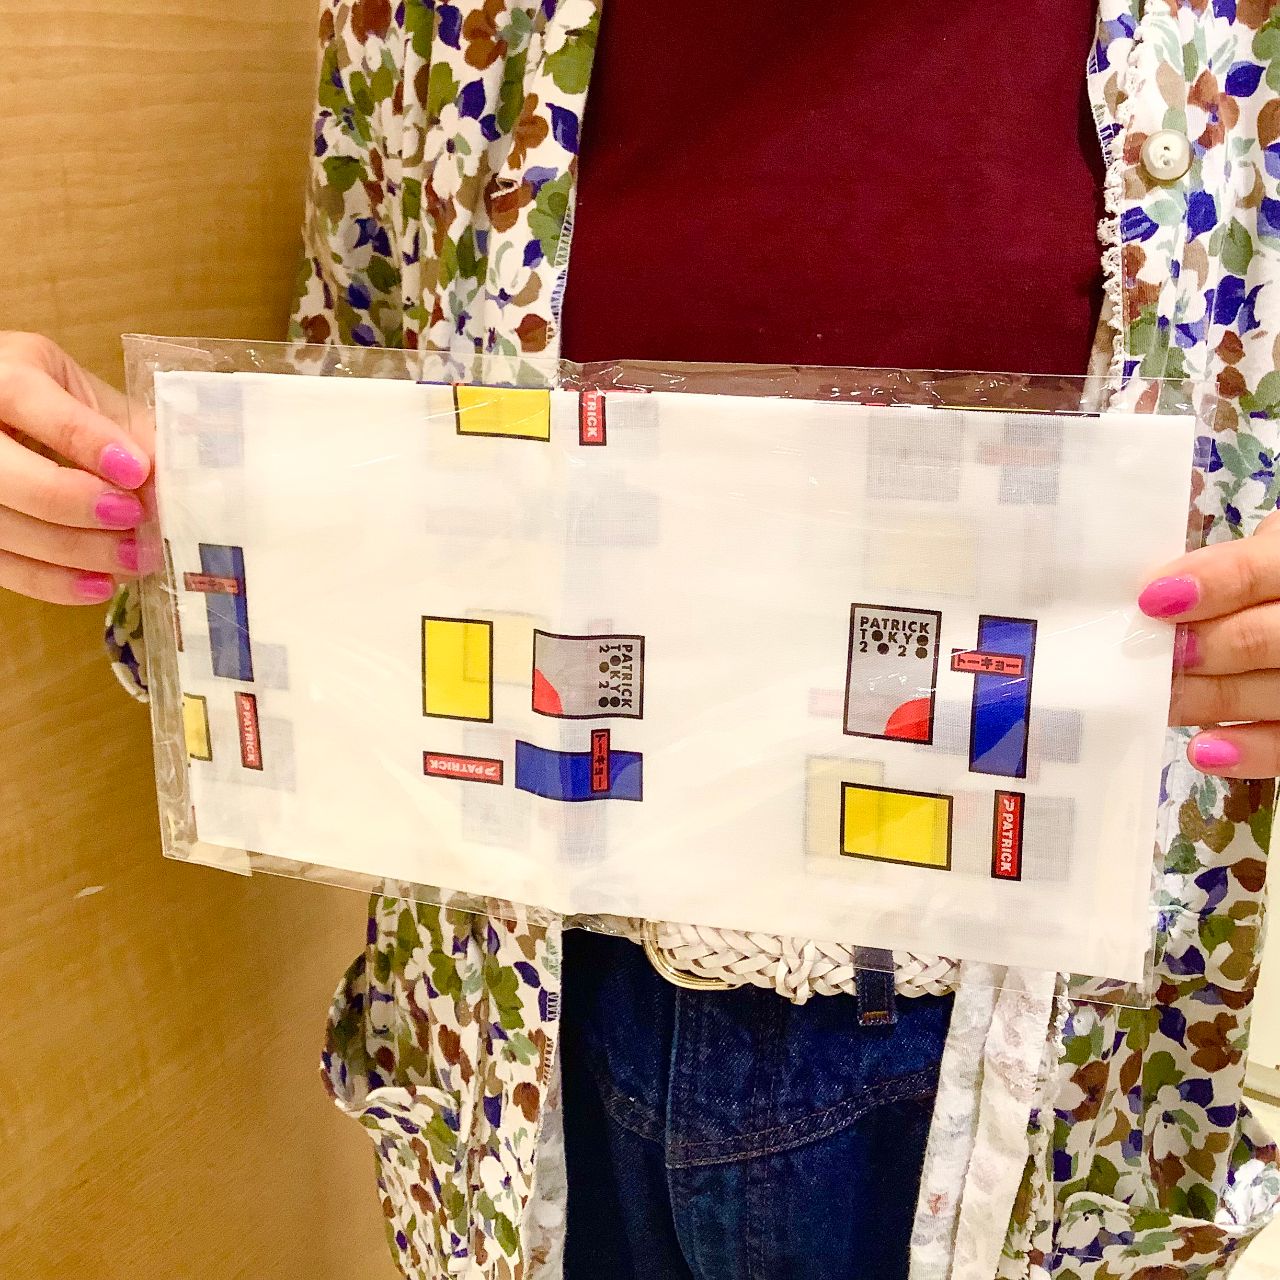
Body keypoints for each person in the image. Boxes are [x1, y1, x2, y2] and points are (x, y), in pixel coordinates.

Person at [4, 1, 1280, 1275]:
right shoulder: (430, 23)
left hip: (1016, 1059)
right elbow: (358, 436)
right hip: (521, 1035)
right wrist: (143, 504)